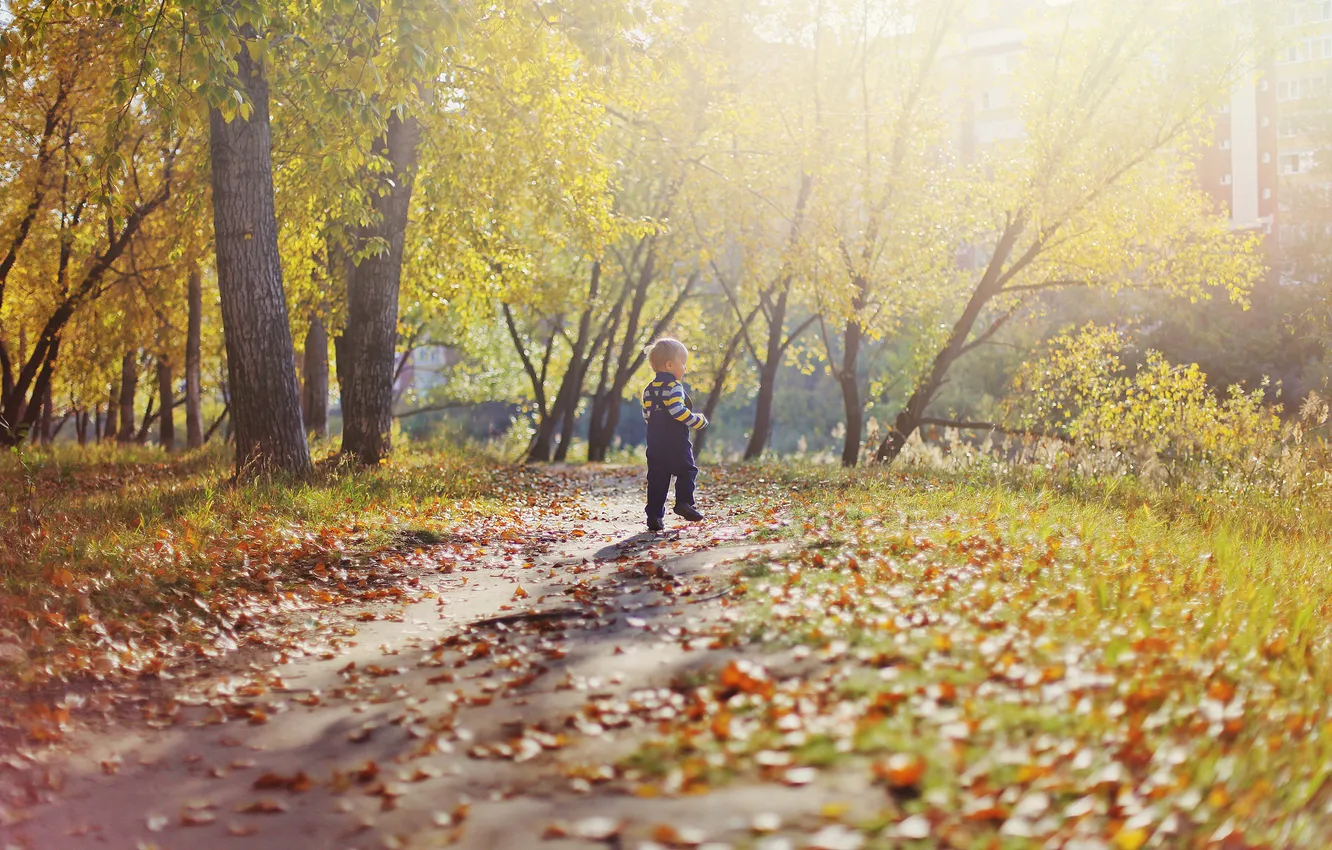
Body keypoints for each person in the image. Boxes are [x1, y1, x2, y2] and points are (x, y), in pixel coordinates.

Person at [641, 338, 709, 532]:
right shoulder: (674, 387)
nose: (685, 368)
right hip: (675, 442)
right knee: (687, 470)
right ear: (670, 365)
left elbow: (647, 415)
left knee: (657, 479)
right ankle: (684, 503)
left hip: (654, 442)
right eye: (683, 363)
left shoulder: (648, 389)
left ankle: (654, 516)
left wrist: (655, 431)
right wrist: (697, 420)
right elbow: (677, 411)